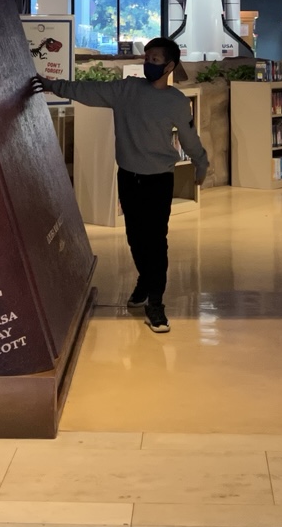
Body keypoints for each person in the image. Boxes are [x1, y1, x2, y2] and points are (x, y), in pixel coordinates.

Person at [31, 37, 206, 335]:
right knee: (135, 237)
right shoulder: (126, 90)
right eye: (146, 58)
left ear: (169, 66)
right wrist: (51, 85)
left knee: (156, 240)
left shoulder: (177, 101)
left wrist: (201, 162)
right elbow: (88, 91)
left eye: (154, 60)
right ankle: (144, 281)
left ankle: (155, 303)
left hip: (159, 179)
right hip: (128, 176)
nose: (148, 64)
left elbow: (189, 138)